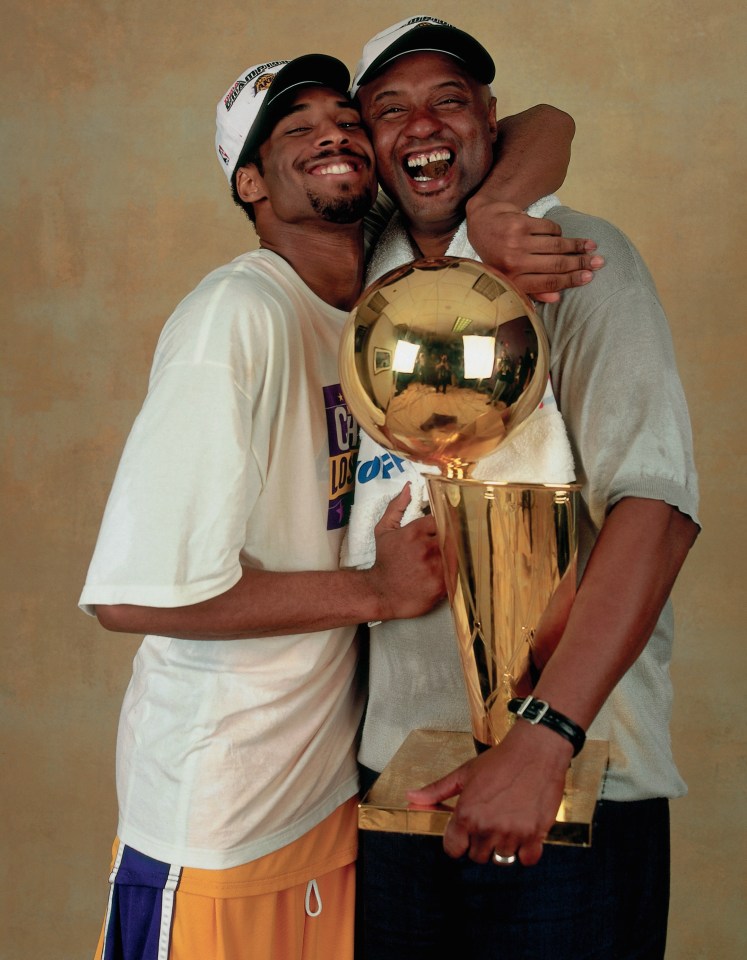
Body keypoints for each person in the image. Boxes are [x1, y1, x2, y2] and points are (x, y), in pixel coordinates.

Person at [79, 46, 594, 960]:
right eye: (295, 132)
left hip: (330, 805)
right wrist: (374, 593)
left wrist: (496, 209)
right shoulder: (233, 319)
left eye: (346, 123)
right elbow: (132, 594)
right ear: (251, 184)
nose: (334, 139)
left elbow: (541, 123)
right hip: (216, 819)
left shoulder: (376, 291)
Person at [345, 15, 700, 960]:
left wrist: (547, 737)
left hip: (568, 786)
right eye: (390, 111)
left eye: (449, 102)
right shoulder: (368, 268)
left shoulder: (576, 260)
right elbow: (552, 120)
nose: (420, 127)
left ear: (489, 122)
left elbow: (656, 512)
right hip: (389, 785)